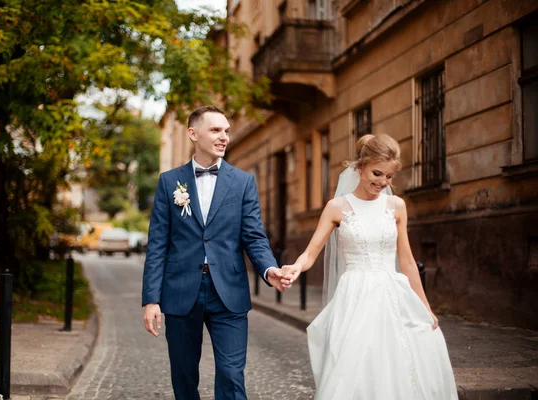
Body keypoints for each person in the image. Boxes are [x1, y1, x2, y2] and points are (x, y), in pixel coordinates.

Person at [281, 134, 458, 399]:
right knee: (356, 368)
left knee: (403, 362)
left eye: (388, 177)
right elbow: (310, 253)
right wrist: (294, 268)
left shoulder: (396, 206)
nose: (382, 182)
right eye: (377, 173)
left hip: (393, 294)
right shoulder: (337, 207)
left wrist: (426, 308)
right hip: (355, 299)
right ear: (359, 166)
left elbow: (407, 261)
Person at [142, 106, 286, 400]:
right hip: (181, 291)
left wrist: (269, 269)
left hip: (228, 291)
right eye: (216, 130)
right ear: (193, 134)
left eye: (227, 131)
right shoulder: (170, 182)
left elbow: (254, 236)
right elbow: (157, 244)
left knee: (232, 375)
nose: (224, 137)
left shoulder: (243, 182)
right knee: (183, 376)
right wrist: (151, 299)